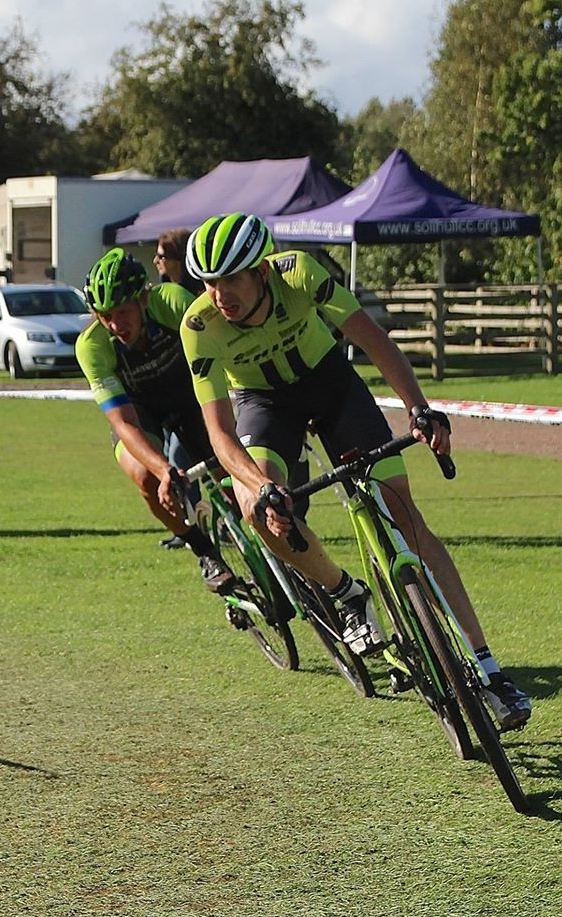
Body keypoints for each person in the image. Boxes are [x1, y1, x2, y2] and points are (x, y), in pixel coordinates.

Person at [178, 212, 532, 731]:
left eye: (231, 278)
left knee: (404, 516)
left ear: (263, 272)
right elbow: (220, 434)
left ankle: (490, 670)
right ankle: (346, 593)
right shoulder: (199, 325)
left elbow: (371, 338)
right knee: (257, 509)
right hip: (264, 405)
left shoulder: (299, 272)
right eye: (209, 282)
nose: (219, 294)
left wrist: (418, 408)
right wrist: (261, 484)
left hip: (333, 387)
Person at [75, 246, 232, 593]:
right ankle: (203, 550)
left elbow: (222, 352)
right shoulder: (92, 346)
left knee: (230, 473)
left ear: (143, 300)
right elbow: (123, 422)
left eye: (122, 312)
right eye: (104, 316)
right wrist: (164, 470)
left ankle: (267, 549)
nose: (116, 325)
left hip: (191, 398)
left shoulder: (172, 302)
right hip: (141, 413)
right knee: (146, 477)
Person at [152, 229, 204, 548]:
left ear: (179, 260)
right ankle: (189, 527)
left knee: (178, 459)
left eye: (162, 255)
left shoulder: (196, 296)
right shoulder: (162, 295)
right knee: (176, 459)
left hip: (198, 394)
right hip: (171, 396)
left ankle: (194, 526)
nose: (157, 261)